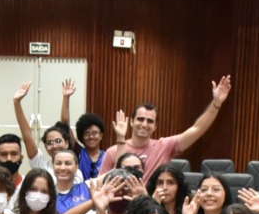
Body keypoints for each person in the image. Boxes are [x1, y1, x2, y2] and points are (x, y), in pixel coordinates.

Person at [100, 76, 233, 177]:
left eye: (150, 121)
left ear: (155, 126)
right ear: (131, 122)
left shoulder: (164, 146)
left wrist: (216, 104)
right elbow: (101, 186)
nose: (144, 124)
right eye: (140, 119)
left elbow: (197, 129)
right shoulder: (113, 151)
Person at [13, 80, 84, 183]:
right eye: (50, 143)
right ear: (45, 147)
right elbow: (27, 136)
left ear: (67, 143)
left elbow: (65, 123)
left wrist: (66, 98)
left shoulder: (76, 172)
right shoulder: (41, 165)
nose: (54, 145)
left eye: (58, 141)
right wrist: (17, 103)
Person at [74, 111, 107, 182]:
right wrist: (66, 99)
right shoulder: (78, 152)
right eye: (86, 133)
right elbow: (65, 124)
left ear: (101, 135)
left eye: (94, 133)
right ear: (82, 137)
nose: (91, 137)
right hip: (81, 192)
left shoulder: (107, 156)